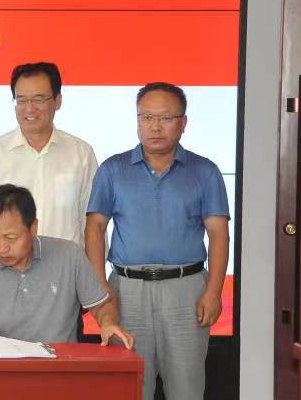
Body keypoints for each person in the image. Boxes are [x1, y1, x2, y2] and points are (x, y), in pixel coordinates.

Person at [86, 82, 230, 400]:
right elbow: (95, 227)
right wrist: (100, 287)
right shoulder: (113, 170)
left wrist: (214, 292)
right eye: (147, 117)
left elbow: (219, 234)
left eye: (165, 118)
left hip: (186, 290)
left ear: (183, 123)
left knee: (187, 387)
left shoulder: (205, 172)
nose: (155, 126)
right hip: (127, 290)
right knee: (129, 387)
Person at [0, 184, 133, 349]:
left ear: (33, 228)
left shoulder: (69, 255)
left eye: (11, 238)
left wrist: (108, 323)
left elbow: (101, 306)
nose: (1, 248)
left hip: (59, 365)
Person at [0, 62, 98, 256]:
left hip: (65, 267)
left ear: (58, 101)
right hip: (6, 266)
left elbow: (92, 224)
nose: (29, 108)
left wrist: (91, 271)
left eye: (38, 99)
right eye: (22, 100)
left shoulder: (81, 154)